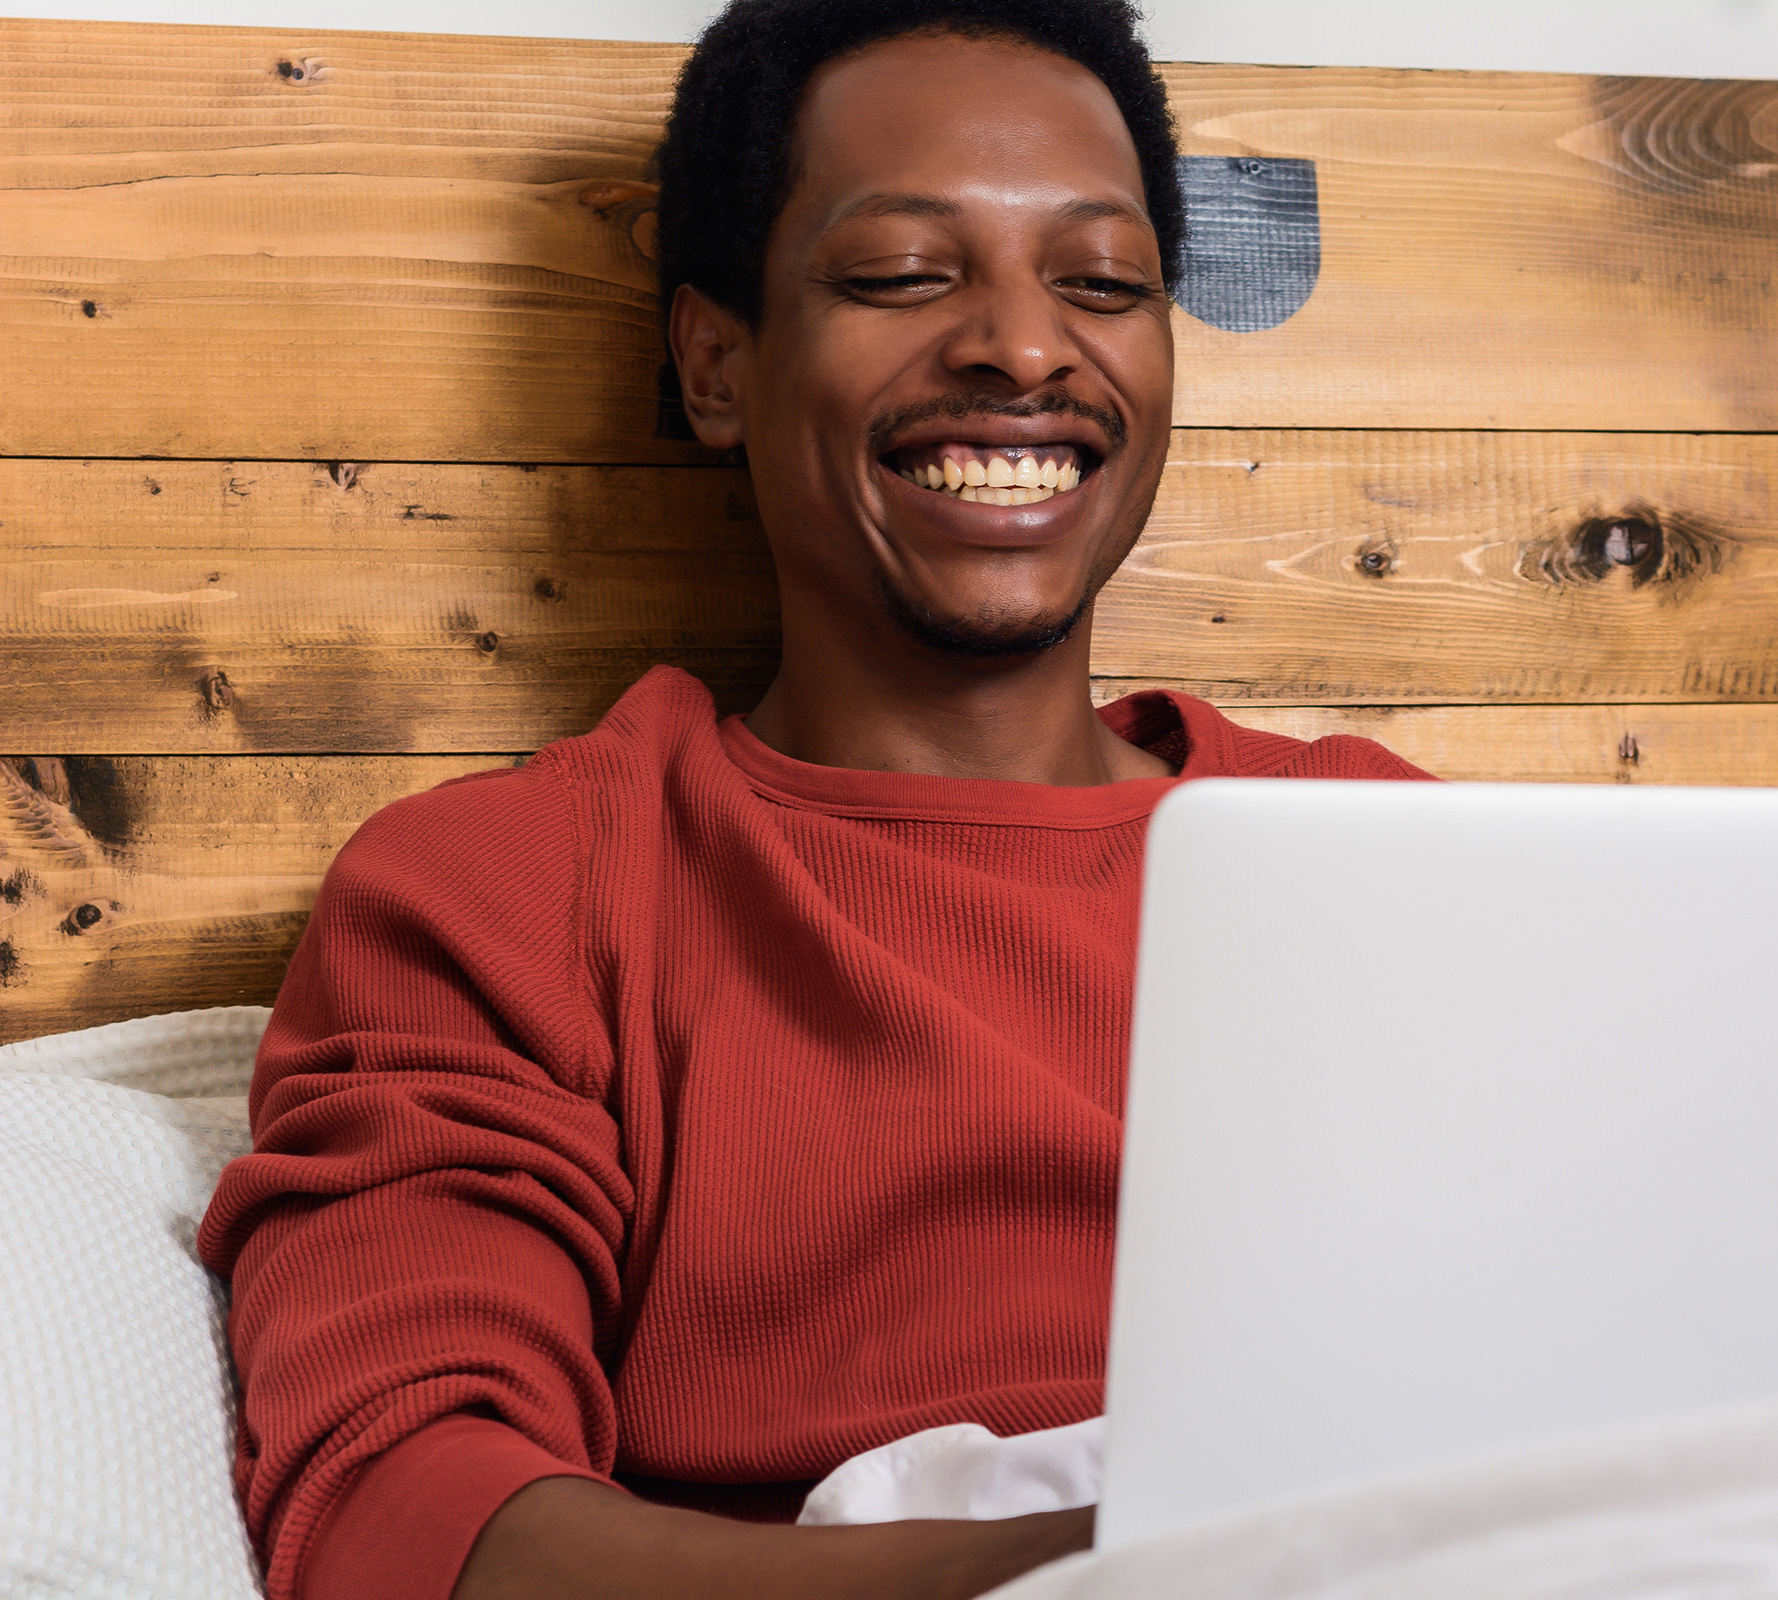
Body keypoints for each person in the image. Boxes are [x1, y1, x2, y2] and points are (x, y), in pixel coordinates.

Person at [195, 2, 1432, 1597]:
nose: (1026, 347)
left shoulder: (1391, 853)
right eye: (906, 274)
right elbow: (410, 1514)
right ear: (716, 363)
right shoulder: (507, 893)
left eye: (1104, 284)